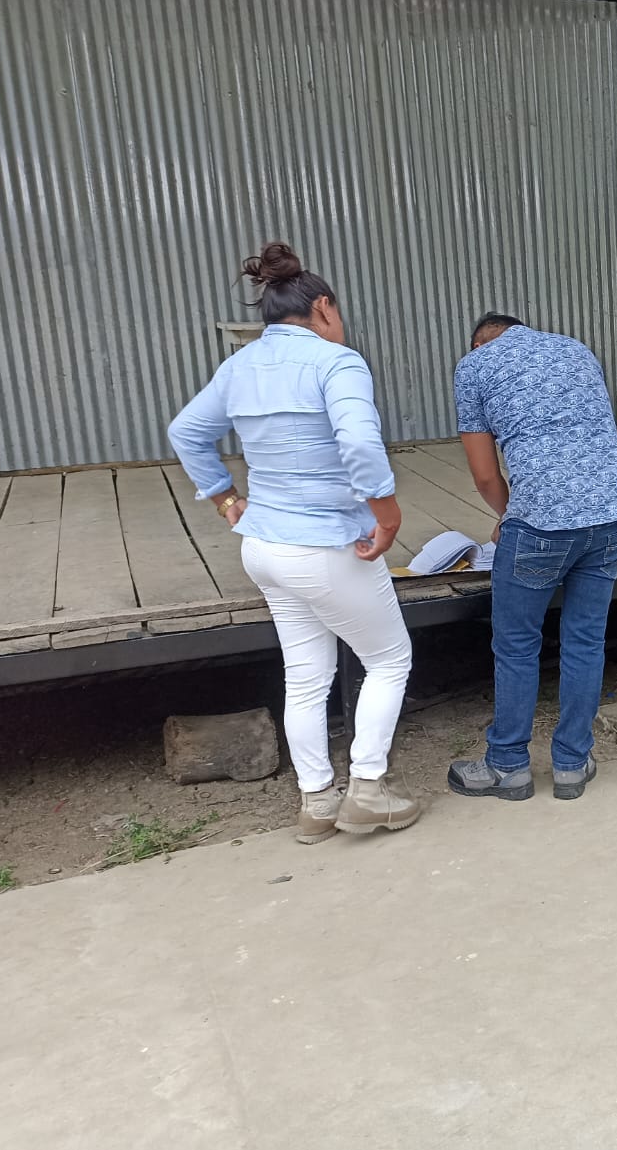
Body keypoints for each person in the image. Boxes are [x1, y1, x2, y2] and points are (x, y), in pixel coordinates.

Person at [168, 242, 420, 842]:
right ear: (324, 306)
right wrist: (387, 516)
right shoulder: (338, 363)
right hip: (326, 547)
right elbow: (358, 443)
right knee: (389, 660)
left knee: (306, 677)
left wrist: (225, 497)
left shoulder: (241, 365)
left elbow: (186, 431)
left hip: (264, 548)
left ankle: (317, 804)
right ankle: (368, 790)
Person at [445, 314, 617, 802]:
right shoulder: (576, 349)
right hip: (611, 514)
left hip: (541, 523)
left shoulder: (475, 366)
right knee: (585, 641)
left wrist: (508, 514)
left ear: (479, 343)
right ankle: (572, 763)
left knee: (516, 645)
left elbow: (486, 475)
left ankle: (508, 766)